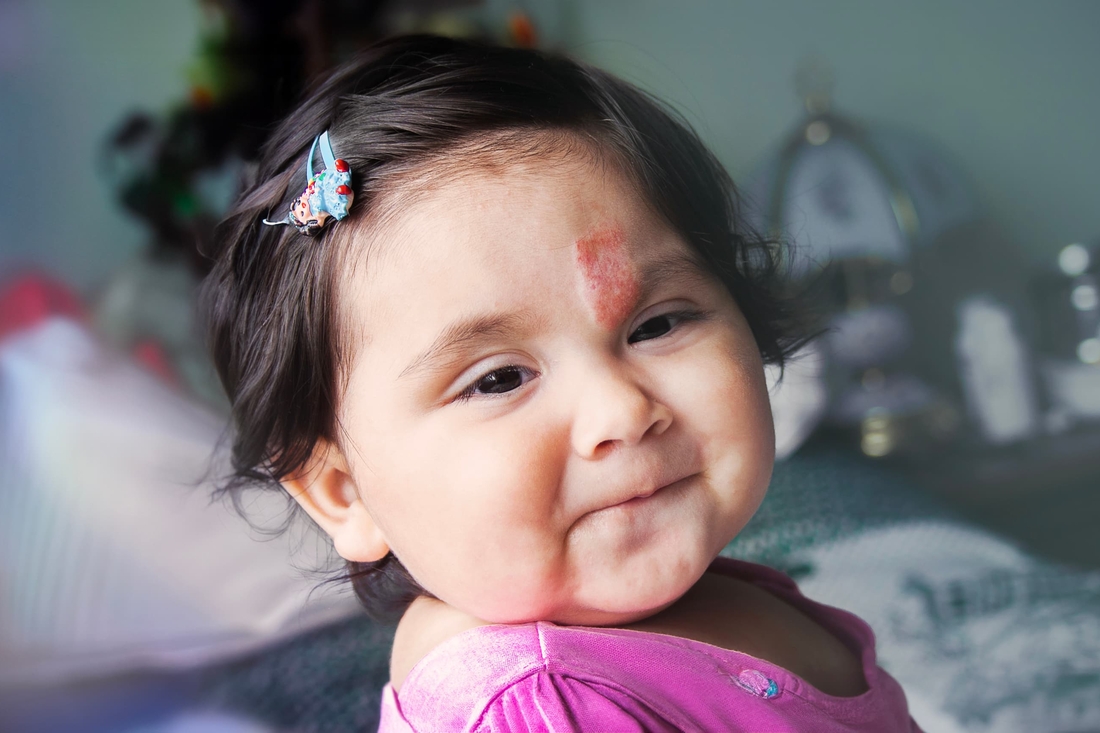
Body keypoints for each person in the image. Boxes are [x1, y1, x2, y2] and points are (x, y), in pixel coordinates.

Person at [201, 34, 921, 732]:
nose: (622, 410)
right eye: (499, 378)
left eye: (657, 325)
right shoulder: (543, 709)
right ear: (344, 490)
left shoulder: (716, 597)